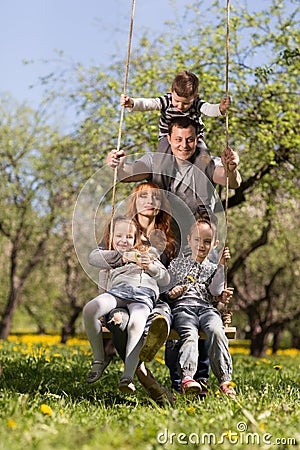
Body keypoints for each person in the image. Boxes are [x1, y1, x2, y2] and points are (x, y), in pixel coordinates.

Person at [106, 116, 241, 394]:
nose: (184, 145)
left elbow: (231, 181)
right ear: (169, 138)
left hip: (204, 239)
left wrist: (233, 168)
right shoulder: (158, 161)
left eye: (190, 140)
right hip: (171, 241)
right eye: (178, 139)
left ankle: (200, 379)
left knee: (206, 305)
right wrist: (116, 165)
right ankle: (179, 378)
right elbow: (127, 172)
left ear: (197, 138)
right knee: (174, 305)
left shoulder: (206, 161)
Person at [83, 215, 170, 394]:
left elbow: (165, 279)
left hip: (143, 296)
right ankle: (99, 359)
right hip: (119, 292)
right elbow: (93, 257)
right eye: (119, 236)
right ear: (111, 238)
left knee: (136, 323)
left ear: (136, 239)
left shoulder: (150, 257)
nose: (124, 240)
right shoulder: (114, 258)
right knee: (90, 309)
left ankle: (127, 377)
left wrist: (150, 266)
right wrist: (123, 257)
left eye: (129, 237)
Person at [165, 217, 236, 397]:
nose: (201, 245)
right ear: (189, 239)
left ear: (215, 244)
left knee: (217, 330)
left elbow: (214, 290)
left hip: (206, 309)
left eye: (207, 241)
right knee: (189, 333)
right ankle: (188, 377)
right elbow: (167, 289)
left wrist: (220, 266)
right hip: (184, 309)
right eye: (197, 240)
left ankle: (225, 380)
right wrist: (173, 293)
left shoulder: (213, 267)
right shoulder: (177, 264)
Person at [120, 70, 231, 155]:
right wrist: (132, 103)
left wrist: (220, 108)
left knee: (204, 157)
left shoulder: (196, 103)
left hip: (194, 138)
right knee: (162, 156)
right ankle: (160, 179)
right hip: (167, 137)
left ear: (195, 97)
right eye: (177, 101)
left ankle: (203, 178)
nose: (180, 106)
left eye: (186, 103)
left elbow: (208, 109)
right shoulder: (167, 101)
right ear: (171, 91)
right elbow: (150, 103)